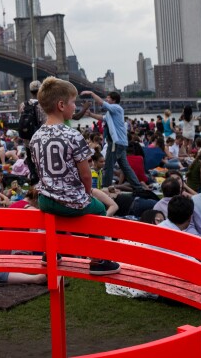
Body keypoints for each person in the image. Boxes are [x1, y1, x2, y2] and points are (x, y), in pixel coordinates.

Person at [29, 78, 120, 275]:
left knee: (58, 209)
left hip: (45, 200)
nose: (75, 107)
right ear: (61, 105)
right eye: (73, 102)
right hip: (70, 199)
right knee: (98, 209)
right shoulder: (73, 135)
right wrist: (87, 195)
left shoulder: (35, 137)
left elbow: (40, 171)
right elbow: (86, 175)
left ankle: (51, 254)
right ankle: (98, 260)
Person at [82, 90, 143, 191]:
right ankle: (138, 187)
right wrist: (90, 114)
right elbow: (102, 118)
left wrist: (92, 93)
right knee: (125, 167)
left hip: (116, 143)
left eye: (109, 98)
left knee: (108, 167)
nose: (107, 99)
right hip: (120, 143)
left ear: (114, 100)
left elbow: (102, 103)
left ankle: (105, 189)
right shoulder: (112, 112)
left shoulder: (116, 108)